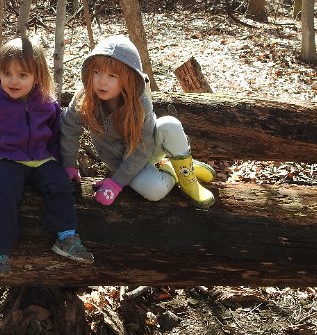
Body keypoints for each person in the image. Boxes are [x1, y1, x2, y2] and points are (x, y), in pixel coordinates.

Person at [0, 36, 94, 277]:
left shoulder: (47, 104)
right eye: (7, 74)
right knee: (5, 191)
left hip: (41, 158)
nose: (13, 81)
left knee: (60, 186)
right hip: (4, 158)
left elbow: (55, 137)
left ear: (37, 76)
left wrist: (63, 164)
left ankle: (66, 236)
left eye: (22, 75)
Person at [61, 35, 216, 208]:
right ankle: (171, 168)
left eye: (112, 75)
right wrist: (69, 164)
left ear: (129, 78)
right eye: (96, 72)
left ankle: (188, 179)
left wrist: (116, 184)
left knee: (170, 125)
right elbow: (69, 127)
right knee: (154, 191)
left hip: (147, 147)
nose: (102, 81)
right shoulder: (85, 97)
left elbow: (143, 146)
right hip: (123, 161)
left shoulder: (140, 104)